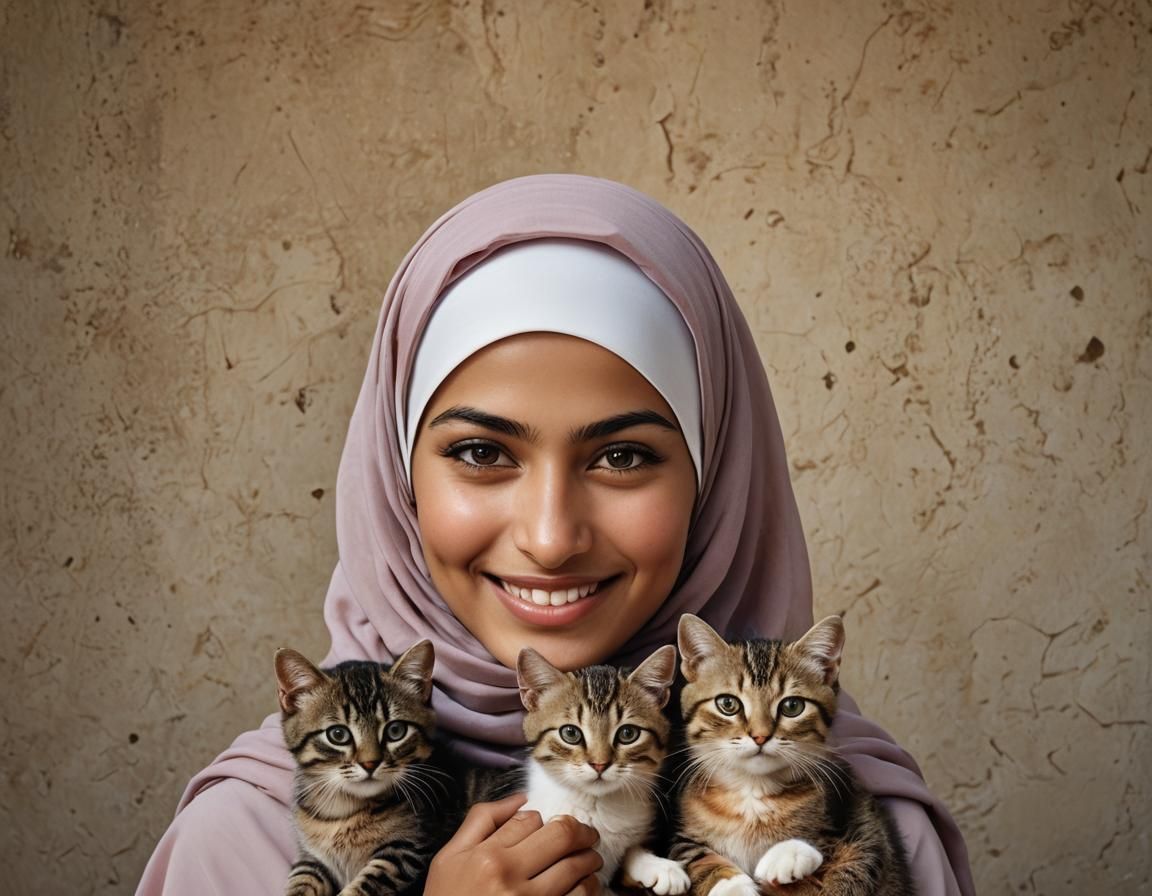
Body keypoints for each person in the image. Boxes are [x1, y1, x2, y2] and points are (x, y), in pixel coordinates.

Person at [137, 174, 974, 895]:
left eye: (622, 456)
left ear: (717, 479)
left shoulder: (868, 834)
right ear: (396, 480)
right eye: (480, 452)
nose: (549, 538)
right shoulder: (239, 842)